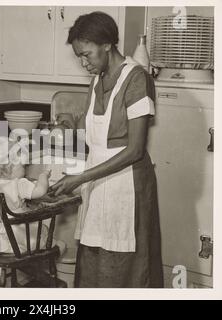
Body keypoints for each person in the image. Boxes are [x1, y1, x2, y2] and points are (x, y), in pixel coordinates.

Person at [49, 11, 164, 288]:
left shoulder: (137, 79)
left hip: (128, 186)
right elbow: (95, 131)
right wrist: (68, 124)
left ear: (107, 45)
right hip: (98, 182)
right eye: (79, 55)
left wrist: (80, 178)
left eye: (86, 54)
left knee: (125, 265)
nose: (83, 62)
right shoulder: (98, 79)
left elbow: (135, 149)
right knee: (94, 260)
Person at [0, 138, 53, 254]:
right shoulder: (18, 184)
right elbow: (40, 191)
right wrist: (43, 176)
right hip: (16, 240)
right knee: (43, 229)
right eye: (23, 166)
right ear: (10, 167)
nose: (25, 169)